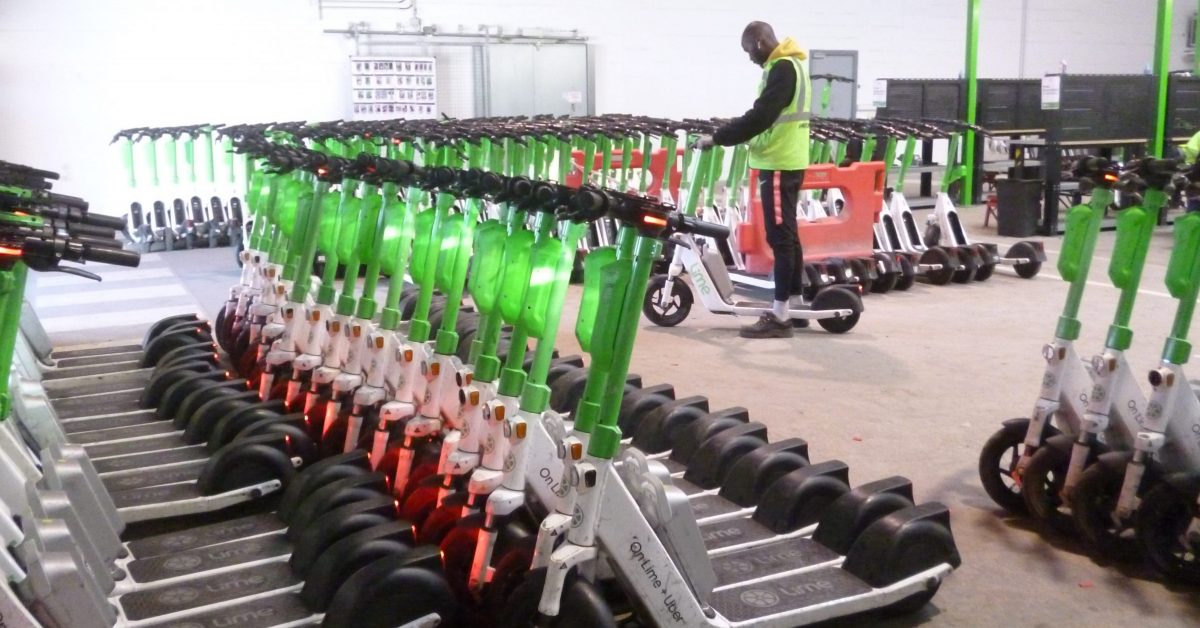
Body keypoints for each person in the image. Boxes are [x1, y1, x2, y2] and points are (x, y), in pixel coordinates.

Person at [695, 21, 812, 339]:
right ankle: (796, 305)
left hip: (778, 161)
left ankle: (780, 315)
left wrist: (718, 137)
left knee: (780, 237)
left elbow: (762, 116)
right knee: (788, 234)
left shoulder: (783, 68)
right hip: (787, 159)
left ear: (760, 42)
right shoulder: (792, 65)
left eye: (749, 50)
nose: (749, 58)